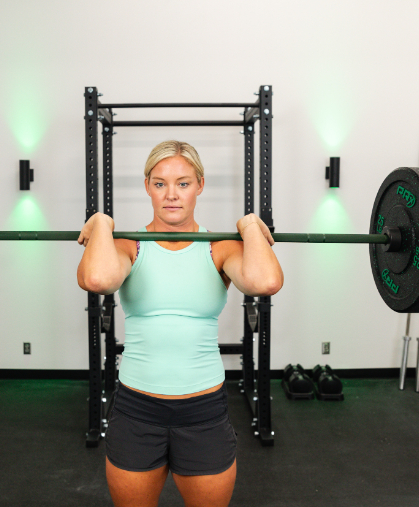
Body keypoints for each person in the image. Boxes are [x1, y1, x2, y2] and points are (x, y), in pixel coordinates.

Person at [77, 140, 284, 507]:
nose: (171, 195)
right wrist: (103, 224)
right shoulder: (129, 245)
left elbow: (266, 282)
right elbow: (97, 279)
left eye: (183, 183)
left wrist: (250, 226)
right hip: (137, 411)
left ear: (200, 185)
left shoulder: (218, 247)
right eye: (160, 184)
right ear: (147, 187)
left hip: (203, 413)